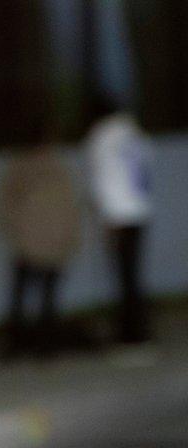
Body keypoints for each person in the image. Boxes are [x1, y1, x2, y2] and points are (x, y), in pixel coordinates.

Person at [0, 136, 81, 358]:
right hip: (52, 242)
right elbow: (70, 206)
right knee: (46, 293)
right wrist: (69, 238)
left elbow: (6, 206)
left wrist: (16, 234)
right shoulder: (57, 167)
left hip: (29, 242)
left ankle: (17, 343)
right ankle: (45, 344)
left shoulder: (19, 168)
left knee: (23, 292)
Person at [85, 102, 153, 344]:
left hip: (118, 215)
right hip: (140, 211)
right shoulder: (134, 132)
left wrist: (105, 214)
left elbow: (101, 177)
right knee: (133, 274)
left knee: (124, 276)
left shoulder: (102, 135)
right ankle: (138, 328)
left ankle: (132, 333)